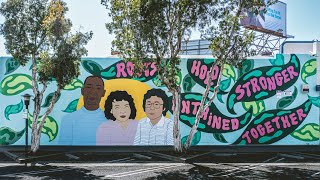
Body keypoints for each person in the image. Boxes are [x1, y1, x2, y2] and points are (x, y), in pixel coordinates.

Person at [59, 75, 107, 145]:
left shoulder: (109, 120)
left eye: (98, 88)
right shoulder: (68, 120)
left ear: (103, 93)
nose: (93, 91)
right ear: (82, 91)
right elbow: (63, 150)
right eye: (88, 87)